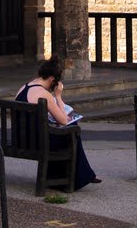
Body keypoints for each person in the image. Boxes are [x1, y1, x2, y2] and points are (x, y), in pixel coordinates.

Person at [15, 55, 99, 189]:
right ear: (52, 80)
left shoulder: (24, 88)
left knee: (67, 131)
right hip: (38, 142)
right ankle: (77, 178)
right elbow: (63, 120)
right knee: (73, 129)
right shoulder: (44, 94)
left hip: (21, 139)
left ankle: (76, 175)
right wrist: (58, 96)